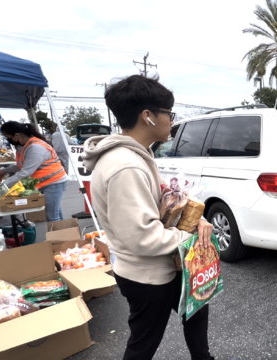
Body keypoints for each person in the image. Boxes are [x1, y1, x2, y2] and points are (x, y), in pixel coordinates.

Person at [83, 75, 221, 360]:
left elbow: (160, 199)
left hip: (163, 267)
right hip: (146, 275)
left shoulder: (137, 155)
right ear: (147, 116)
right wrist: (190, 236)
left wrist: (197, 219)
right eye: (169, 113)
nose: (172, 120)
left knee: (196, 311)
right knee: (144, 343)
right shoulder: (125, 166)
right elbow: (142, 236)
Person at [0, 122, 68, 222]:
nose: (7, 140)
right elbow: (22, 165)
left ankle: (59, 237)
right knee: (56, 212)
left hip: (54, 182)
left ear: (17, 135)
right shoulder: (26, 146)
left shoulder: (36, 148)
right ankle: (66, 234)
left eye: (7, 137)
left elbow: (25, 172)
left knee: (52, 215)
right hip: (45, 182)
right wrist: (5, 171)